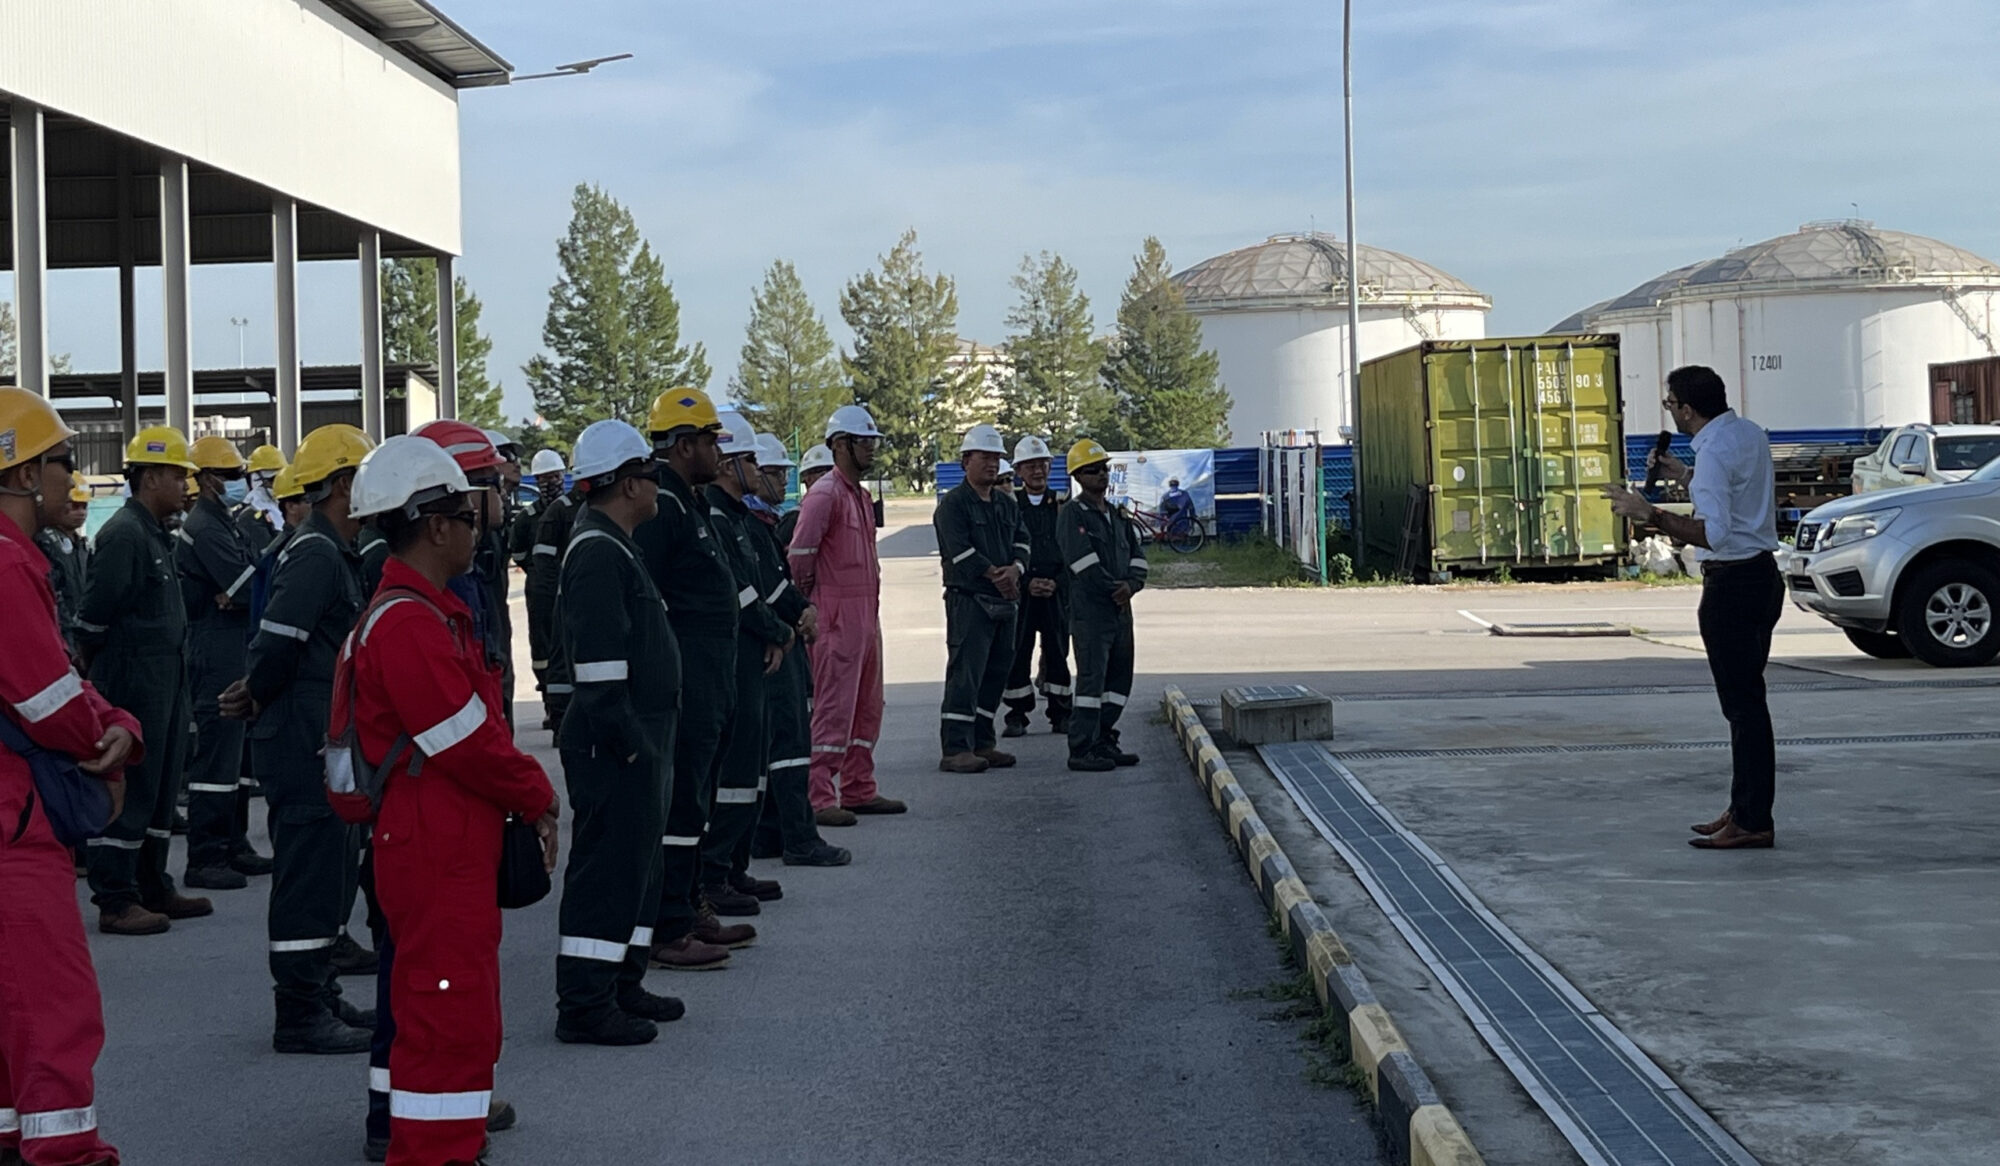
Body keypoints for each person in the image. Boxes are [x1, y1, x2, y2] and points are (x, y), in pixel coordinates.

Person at [341, 436, 559, 1166]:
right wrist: (537, 795)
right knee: (444, 1016)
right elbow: (466, 739)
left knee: (453, 1013)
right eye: (467, 515)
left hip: (443, 841)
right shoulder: (407, 623)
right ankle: (435, 1153)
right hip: (433, 846)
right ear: (435, 525)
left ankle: (445, 1144)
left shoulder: (423, 613)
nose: (477, 527)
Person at [0, 387, 139, 1166]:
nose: (70, 479)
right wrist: (115, 733)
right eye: (59, 462)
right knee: (54, 1020)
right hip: (15, 830)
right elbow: (51, 700)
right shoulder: (7, 561)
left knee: (12, 1038)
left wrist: (116, 720)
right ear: (18, 472)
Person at [223, 422, 379, 1054]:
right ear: (343, 485)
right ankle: (300, 1012)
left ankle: (319, 992)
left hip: (318, 731)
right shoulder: (316, 552)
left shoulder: (328, 547)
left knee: (330, 868)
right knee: (309, 872)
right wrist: (257, 689)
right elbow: (279, 643)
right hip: (300, 735)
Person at [1605, 365, 1782, 850]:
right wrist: (1683, 475)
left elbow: (1716, 532)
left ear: (1687, 408)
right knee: (1749, 704)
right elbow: (1736, 495)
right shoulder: (1746, 434)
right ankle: (1744, 807)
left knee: (1742, 709)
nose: (1671, 414)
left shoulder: (1715, 451)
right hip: (1762, 577)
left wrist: (1651, 514)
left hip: (1732, 586)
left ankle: (1752, 819)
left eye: (1670, 405)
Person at [553, 420, 687, 1045]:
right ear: (629, 484)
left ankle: (622, 982)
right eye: (652, 477)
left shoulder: (614, 543)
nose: (659, 489)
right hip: (616, 744)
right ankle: (585, 1003)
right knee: (607, 875)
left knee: (638, 870)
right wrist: (633, 745)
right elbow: (601, 676)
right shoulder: (598, 553)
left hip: (637, 741)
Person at [635, 387, 754, 970]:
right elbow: (648, 597)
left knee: (697, 799)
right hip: (688, 683)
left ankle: (688, 903)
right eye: (710, 441)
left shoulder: (689, 504)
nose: (718, 452)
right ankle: (670, 925)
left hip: (712, 680)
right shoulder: (664, 508)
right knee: (681, 805)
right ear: (684, 447)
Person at [78, 425, 212, 935]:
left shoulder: (156, 534)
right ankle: (116, 897)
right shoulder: (124, 535)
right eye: (178, 476)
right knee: (133, 785)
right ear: (150, 476)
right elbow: (93, 619)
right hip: (134, 676)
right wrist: (107, 673)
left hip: (166, 676)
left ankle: (153, 883)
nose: (185, 487)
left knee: (160, 783)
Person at [789, 406, 906, 825]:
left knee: (867, 705)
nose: (871, 449)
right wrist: (813, 605)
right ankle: (820, 795)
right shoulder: (825, 494)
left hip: (865, 613)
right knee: (834, 706)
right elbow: (800, 556)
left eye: (873, 441)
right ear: (839, 445)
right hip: (836, 615)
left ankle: (858, 788)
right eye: (864, 441)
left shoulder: (858, 495)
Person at [700, 413, 797, 913]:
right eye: (751, 461)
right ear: (728, 464)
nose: (760, 471)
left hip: (757, 656)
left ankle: (734, 867)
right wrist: (778, 630)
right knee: (733, 775)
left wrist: (784, 624)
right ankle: (714, 874)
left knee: (750, 774)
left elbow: (765, 584)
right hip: (737, 658)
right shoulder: (716, 516)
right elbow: (736, 592)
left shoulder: (738, 518)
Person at [747, 434, 849, 868]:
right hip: (772, 643)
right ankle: (799, 837)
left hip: (780, 635)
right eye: (775, 473)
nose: (779, 481)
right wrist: (793, 619)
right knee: (788, 744)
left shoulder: (760, 523)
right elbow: (765, 587)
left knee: (777, 742)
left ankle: (769, 833)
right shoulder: (748, 525)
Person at [178, 436, 268, 891]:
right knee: (217, 756)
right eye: (230, 477)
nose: (238, 483)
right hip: (214, 648)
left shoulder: (224, 521)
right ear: (207, 479)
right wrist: (238, 593)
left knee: (237, 754)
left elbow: (248, 582)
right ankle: (206, 855)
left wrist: (239, 592)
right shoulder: (206, 525)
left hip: (233, 642)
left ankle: (233, 844)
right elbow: (247, 584)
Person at [932, 423, 1027, 773]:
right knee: (966, 674)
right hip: (970, 601)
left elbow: (1022, 539)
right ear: (965, 461)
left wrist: (1016, 568)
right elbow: (959, 552)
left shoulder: (1005, 504)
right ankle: (956, 748)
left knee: (995, 673)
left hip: (1005, 603)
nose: (992, 464)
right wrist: (995, 575)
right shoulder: (953, 506)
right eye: (984, 457)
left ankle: (983, 742)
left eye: (996, 458)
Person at [1059, 439, 1146, 773]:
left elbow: (1138, 556)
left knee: (1118, 681)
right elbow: (1083, 563)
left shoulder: (1118, 515)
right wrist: (1115, 589)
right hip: (1091, 613)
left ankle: (1105, 739)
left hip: (1121, 611)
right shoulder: (1072, 515)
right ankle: (1082, 748)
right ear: (1079, 476)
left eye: (1105, 469)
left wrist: (1132, 586)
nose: (1102, 475)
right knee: (1091, 683)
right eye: (1093, 470)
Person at [1002, 436, 1073, 738]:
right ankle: (1017, 713)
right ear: (1018, 470)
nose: (1037, 471)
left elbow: (1073, 551)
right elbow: (1005, 549)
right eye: (1030, 466)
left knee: (1057, 650)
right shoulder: (1007, 507)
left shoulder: (1063, 506)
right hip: (1023, 591)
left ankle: (1061, 713)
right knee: (1018, 649)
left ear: (1051, 466)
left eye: (1042, 464)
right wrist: (1028, 582)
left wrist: (1057, 582)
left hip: (1057, 589)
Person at [524, 451, 581, 733]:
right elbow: (522, 552)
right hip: (543, 591)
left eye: (556, 476)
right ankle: (552, 705)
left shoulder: (578, 509)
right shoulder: (543, 515)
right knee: (544, 648)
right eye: (545, 478)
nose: (551, 482)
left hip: (568, 589)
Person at [33, 483, 93, 663]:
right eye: (75, 506)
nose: (81, 512)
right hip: (63, 638)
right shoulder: (46, 544)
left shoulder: (82, 547)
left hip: (80, 635)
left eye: (84, 506)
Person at [238, 443, 287, 553]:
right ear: (257, 480)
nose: (277, 484)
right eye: (273, 479)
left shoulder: (282, 505)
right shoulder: (250, 515)